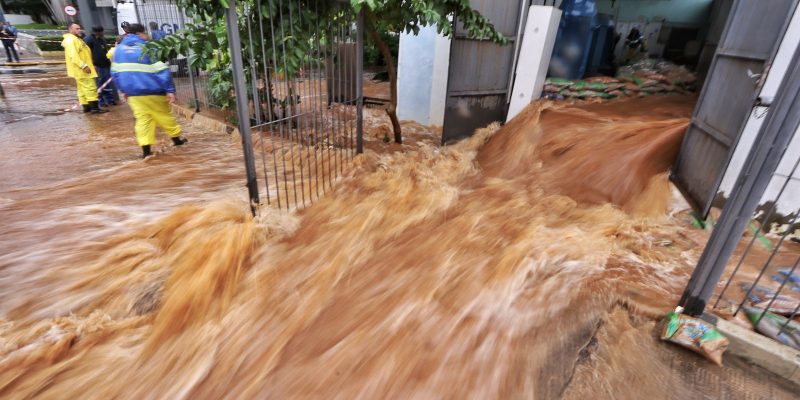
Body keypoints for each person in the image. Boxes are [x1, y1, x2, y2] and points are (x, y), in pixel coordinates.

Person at [111, 23, 187, 158]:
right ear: (140, 34)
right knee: (164, 116)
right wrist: (170, 90)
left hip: (133, 94)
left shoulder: (119, 50)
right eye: (145, 33)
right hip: (153, 90)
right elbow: (162, 70)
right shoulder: (148, 47)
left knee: (143, 120)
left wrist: (123, 90)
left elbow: (115, 73)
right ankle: (177, 141)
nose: (147, 36)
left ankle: (146, 152)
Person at [62, 22, 107, 114]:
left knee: (82, 90)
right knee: (91, 88)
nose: (79, 30)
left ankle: (86, 107)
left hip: (80, 70)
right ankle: (94, 108)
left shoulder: (76, 39)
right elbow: (73, 55)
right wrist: (83, 66)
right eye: (77, 29)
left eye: (79, 28)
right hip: (82, 70)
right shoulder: (71, 40)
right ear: (70, 29)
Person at [85, 26, 118, 106]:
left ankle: (110, 99)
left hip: (105, 64)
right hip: (97, 66)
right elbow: (86, 54)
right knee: (99, 83)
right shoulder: (88, 40)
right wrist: (92, 64)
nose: (103, 34)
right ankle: (101, 101)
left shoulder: (101, 39)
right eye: (101, 32)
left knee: (107, 83)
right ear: (97, 32)